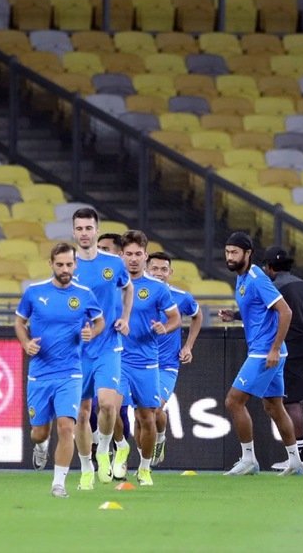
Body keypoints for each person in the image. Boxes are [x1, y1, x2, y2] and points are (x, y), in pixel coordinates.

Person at [16, 243, 105, 497]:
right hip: (40, 373)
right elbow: (20, 322)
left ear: (75, 265)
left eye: (69, 264)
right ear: (51, 264)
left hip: (70, 373)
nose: (65, 269)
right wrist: (26, 343)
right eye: (60, 264)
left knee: (66, 427)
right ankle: (41, 445)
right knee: (39, 432)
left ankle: (58, 484)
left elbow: (100, 321)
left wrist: (92, 333)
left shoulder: (84, 294)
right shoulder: (34, 293)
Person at [218, 231, 303, 477]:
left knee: (233, 401)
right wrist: (235, 316)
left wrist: (274, 348)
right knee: (274, 407)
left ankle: (249, 459)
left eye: (235, 252)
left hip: (265, 352)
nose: (230, 257)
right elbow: (260, 310)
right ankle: (295, 462)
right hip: (268, 351)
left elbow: (285, 311)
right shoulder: (242, 278)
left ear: (248, 253)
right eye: (227, 252)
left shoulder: (257, 278)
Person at [69, 208, 131, 489]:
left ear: (97, 230)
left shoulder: (114, 264)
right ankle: (86, 467)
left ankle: (104, 448)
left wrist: (125, 317)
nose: (84, 233)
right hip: (77, 350)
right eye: (79, 228)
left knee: (106, 404)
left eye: (88, 228)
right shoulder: (67, 264)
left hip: (108, 345)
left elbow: (128, 288)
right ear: (73, 232)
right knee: (81, 412)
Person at [117, 231, 180, 486]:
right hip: (117, 359)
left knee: (146, 416)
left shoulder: (157, 288)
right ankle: (121, 449)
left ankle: (144, 468)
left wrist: (165, 327)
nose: (133, 259)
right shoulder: (111, 285)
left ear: (145, 256)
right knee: (110, 407)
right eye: (128, 254)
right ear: (121, 255)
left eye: (138, 254)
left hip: (146, 362)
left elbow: (175, 318)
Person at [261, 246, 303, 472]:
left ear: (269, 267)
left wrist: (235, 315)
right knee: (290, 401)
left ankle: (300, 457)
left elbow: (262, 313)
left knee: (290, 402)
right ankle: (298, 456)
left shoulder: (274, 287)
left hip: (289, 348)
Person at [145, 251, 201, 467]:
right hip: (139, 363)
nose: (159, 273)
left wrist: (188, 346)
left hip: (166, 365)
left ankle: (155, 445)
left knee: (154, 409)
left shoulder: (181, 297)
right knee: (143, 414)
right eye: (154, 268)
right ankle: (153, 444)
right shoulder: (136, 293)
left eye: (163, 269)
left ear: (170, 272)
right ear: (146, 269)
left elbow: (197, 316)